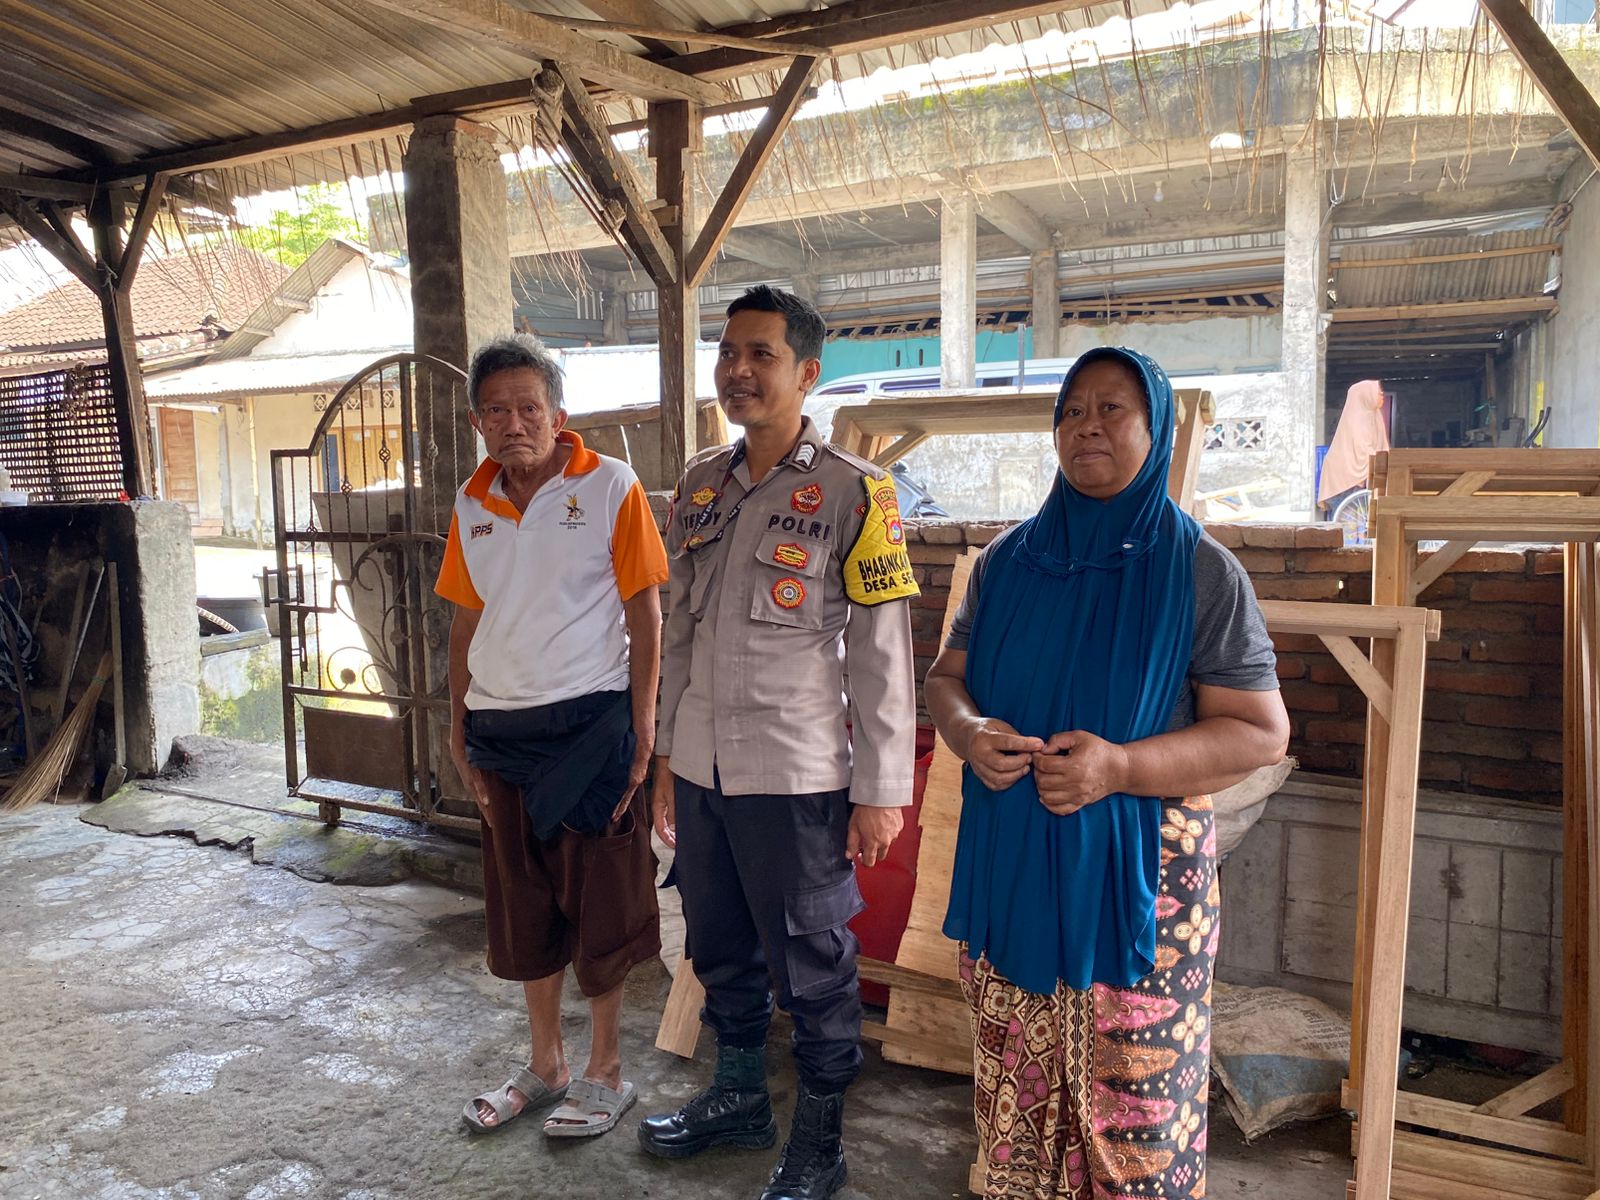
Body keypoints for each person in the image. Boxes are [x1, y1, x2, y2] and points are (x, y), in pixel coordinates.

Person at [925, 347, 1290, 1200]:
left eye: (1111, 408)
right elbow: (946, 679)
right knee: (1017, 1114)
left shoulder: (1199, 570)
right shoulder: (1006, 564)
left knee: (1135, 1129)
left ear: (1156, 429)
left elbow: (1260, 732)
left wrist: (1120, 767)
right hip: (1015, 869)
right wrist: (971, 732)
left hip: (1141, 887)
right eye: (1071, 410)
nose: (1086, 425)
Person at [638, 286, 919, 1200]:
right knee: (717, 939)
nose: (738, 370)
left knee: (813, 962)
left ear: (807, 373)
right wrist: (667, 760)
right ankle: (739, 1099)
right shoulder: (699, 483)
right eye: (729, 353)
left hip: (794, 773)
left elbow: (881, 655)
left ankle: (821, 1142)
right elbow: (680, 629)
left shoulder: (857, 491)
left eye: (761, 354)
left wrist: (881, 790)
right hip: (703, 766)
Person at [435, 333, 668, 1140]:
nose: (514, 424)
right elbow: (466, 620)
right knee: (522, 904)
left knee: (601, 905)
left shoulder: (610, 486)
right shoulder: (472, 503)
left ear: (558, 416)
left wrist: (645, 724)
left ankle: (607, 1069)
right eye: (496, 411)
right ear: (477, 422)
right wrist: (457, 721)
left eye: (528, 408)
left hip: (590, 726)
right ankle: (546, 1064)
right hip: (500, 732)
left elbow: (645, 610)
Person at [1318, 379, 1389, 516]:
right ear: (1366, 396)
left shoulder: (1374, 416)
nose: (1382, 396)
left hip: (1357, 479)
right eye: (1378, 393)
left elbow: (1380, 448)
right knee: (1345, 519)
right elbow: (1363, 450)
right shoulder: (1357, 419)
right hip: (1344, 478)